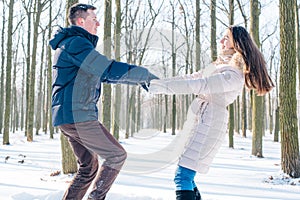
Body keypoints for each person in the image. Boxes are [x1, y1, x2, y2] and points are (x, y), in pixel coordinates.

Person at [149, 25, 274, 200]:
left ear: (236, 44)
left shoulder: (233, 74)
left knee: (183, 176)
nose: (221, 41)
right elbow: (192, 78)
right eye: (222, 37)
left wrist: (161, 88)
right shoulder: (222, 66)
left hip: (210, 123)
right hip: (203, 120)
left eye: (226, 38)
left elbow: (200, 84)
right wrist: (158, 83)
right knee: (187, 176)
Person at [49, 3, 157, 200]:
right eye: (93, 19)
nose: (98, 24)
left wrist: (140, 80)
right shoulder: (76, 43)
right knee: (116, 155)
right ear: (81, 21)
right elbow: (106, 69)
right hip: (78, 115)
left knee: (88, 167)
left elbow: (103, 75)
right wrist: (145, 75)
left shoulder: (73, 44)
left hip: (68, 116)